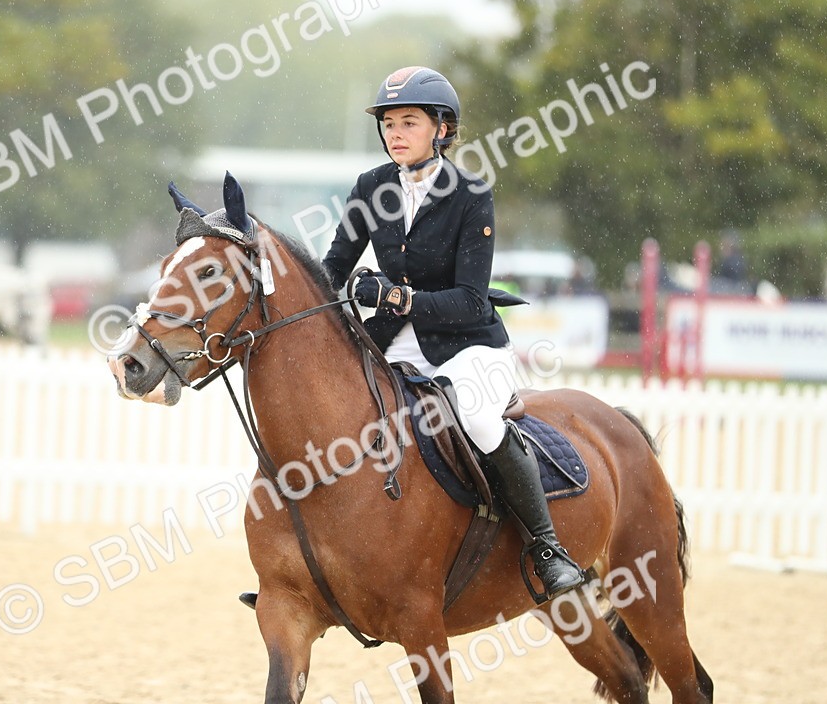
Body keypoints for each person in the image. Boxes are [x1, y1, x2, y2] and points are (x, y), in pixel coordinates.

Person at [239, 67, 582, 611]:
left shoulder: (471, 194)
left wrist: (398, 298)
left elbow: (470, 299)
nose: (395, 133)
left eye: (409, 122)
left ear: (441, 129)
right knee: (337, 414)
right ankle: (310, 566)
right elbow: (330, 270)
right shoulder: (372, 187)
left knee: (478, 421)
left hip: (467, 343)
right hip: (393, 340)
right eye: (389, 124)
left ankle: (547, 547)